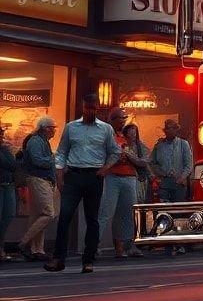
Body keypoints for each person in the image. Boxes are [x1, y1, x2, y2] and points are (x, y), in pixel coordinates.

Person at [44, 93, 120, 274]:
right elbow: (62, 151)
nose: (90, 111)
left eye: (93, 108)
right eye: (87, 108)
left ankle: (88, 259)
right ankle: (58, 258)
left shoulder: (105, 129)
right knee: (65, 216)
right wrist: (60, 174)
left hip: (94, 176)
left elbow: (115, 152)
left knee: (92, 219)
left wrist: (105, 168)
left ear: (97, 108)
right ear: (83, 107)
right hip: (74, 174)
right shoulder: (71, 127)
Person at [97, 108, 147, 260]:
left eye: (124, 119)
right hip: (113, 176)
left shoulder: (125, 138)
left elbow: (142, 158)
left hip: (129, 176)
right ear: (112, 119)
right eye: (120, 119)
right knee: (106, 212)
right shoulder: (106, 135)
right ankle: (93, 245)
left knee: (127, 213)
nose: (123, 121)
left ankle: (124, 247)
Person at [17, 116, 58, 262]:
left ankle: (37, 250)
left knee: (37, 216)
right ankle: (23, 243)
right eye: (53, 127)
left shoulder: (41, 141)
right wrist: (52, 158)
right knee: (48, 213)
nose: (54, 130)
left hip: (41, 180)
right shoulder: (35, 141)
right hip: (39, 179)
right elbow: (38, 161)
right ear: (45, 128)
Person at [149, 119, 193, 256]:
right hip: (165, 183)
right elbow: (152, 162)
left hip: (179, 183)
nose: (169, 131)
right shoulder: (159, 145)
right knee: (164, 212)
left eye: (172, 128)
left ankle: (180, 243)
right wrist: (160, 174)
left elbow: (189, 164)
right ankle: (167, 242)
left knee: (178, 213)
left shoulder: (183, 144)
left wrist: (183, 177)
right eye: (167, 128)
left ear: (176, 129)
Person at [0, 126, 17, 262]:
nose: (2, 135)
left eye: (2, 133)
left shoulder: (5, 149)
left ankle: (1, 248)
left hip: (8, 185)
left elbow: (13, 165)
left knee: (8, 216)